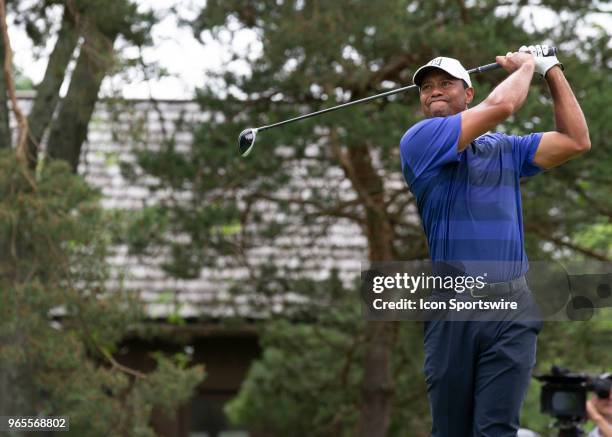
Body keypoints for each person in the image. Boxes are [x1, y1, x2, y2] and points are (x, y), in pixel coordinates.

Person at [399, 45, 590, 436]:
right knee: (451, 430)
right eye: (426, 87)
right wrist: (525, 67)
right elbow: (503, 106)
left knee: (497, 429)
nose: (434, 91)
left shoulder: (505, 149)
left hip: (512, 307)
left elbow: (575, 140)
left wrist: (551, 70)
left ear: (467, 93)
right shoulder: (420, 141)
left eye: (445, 83)